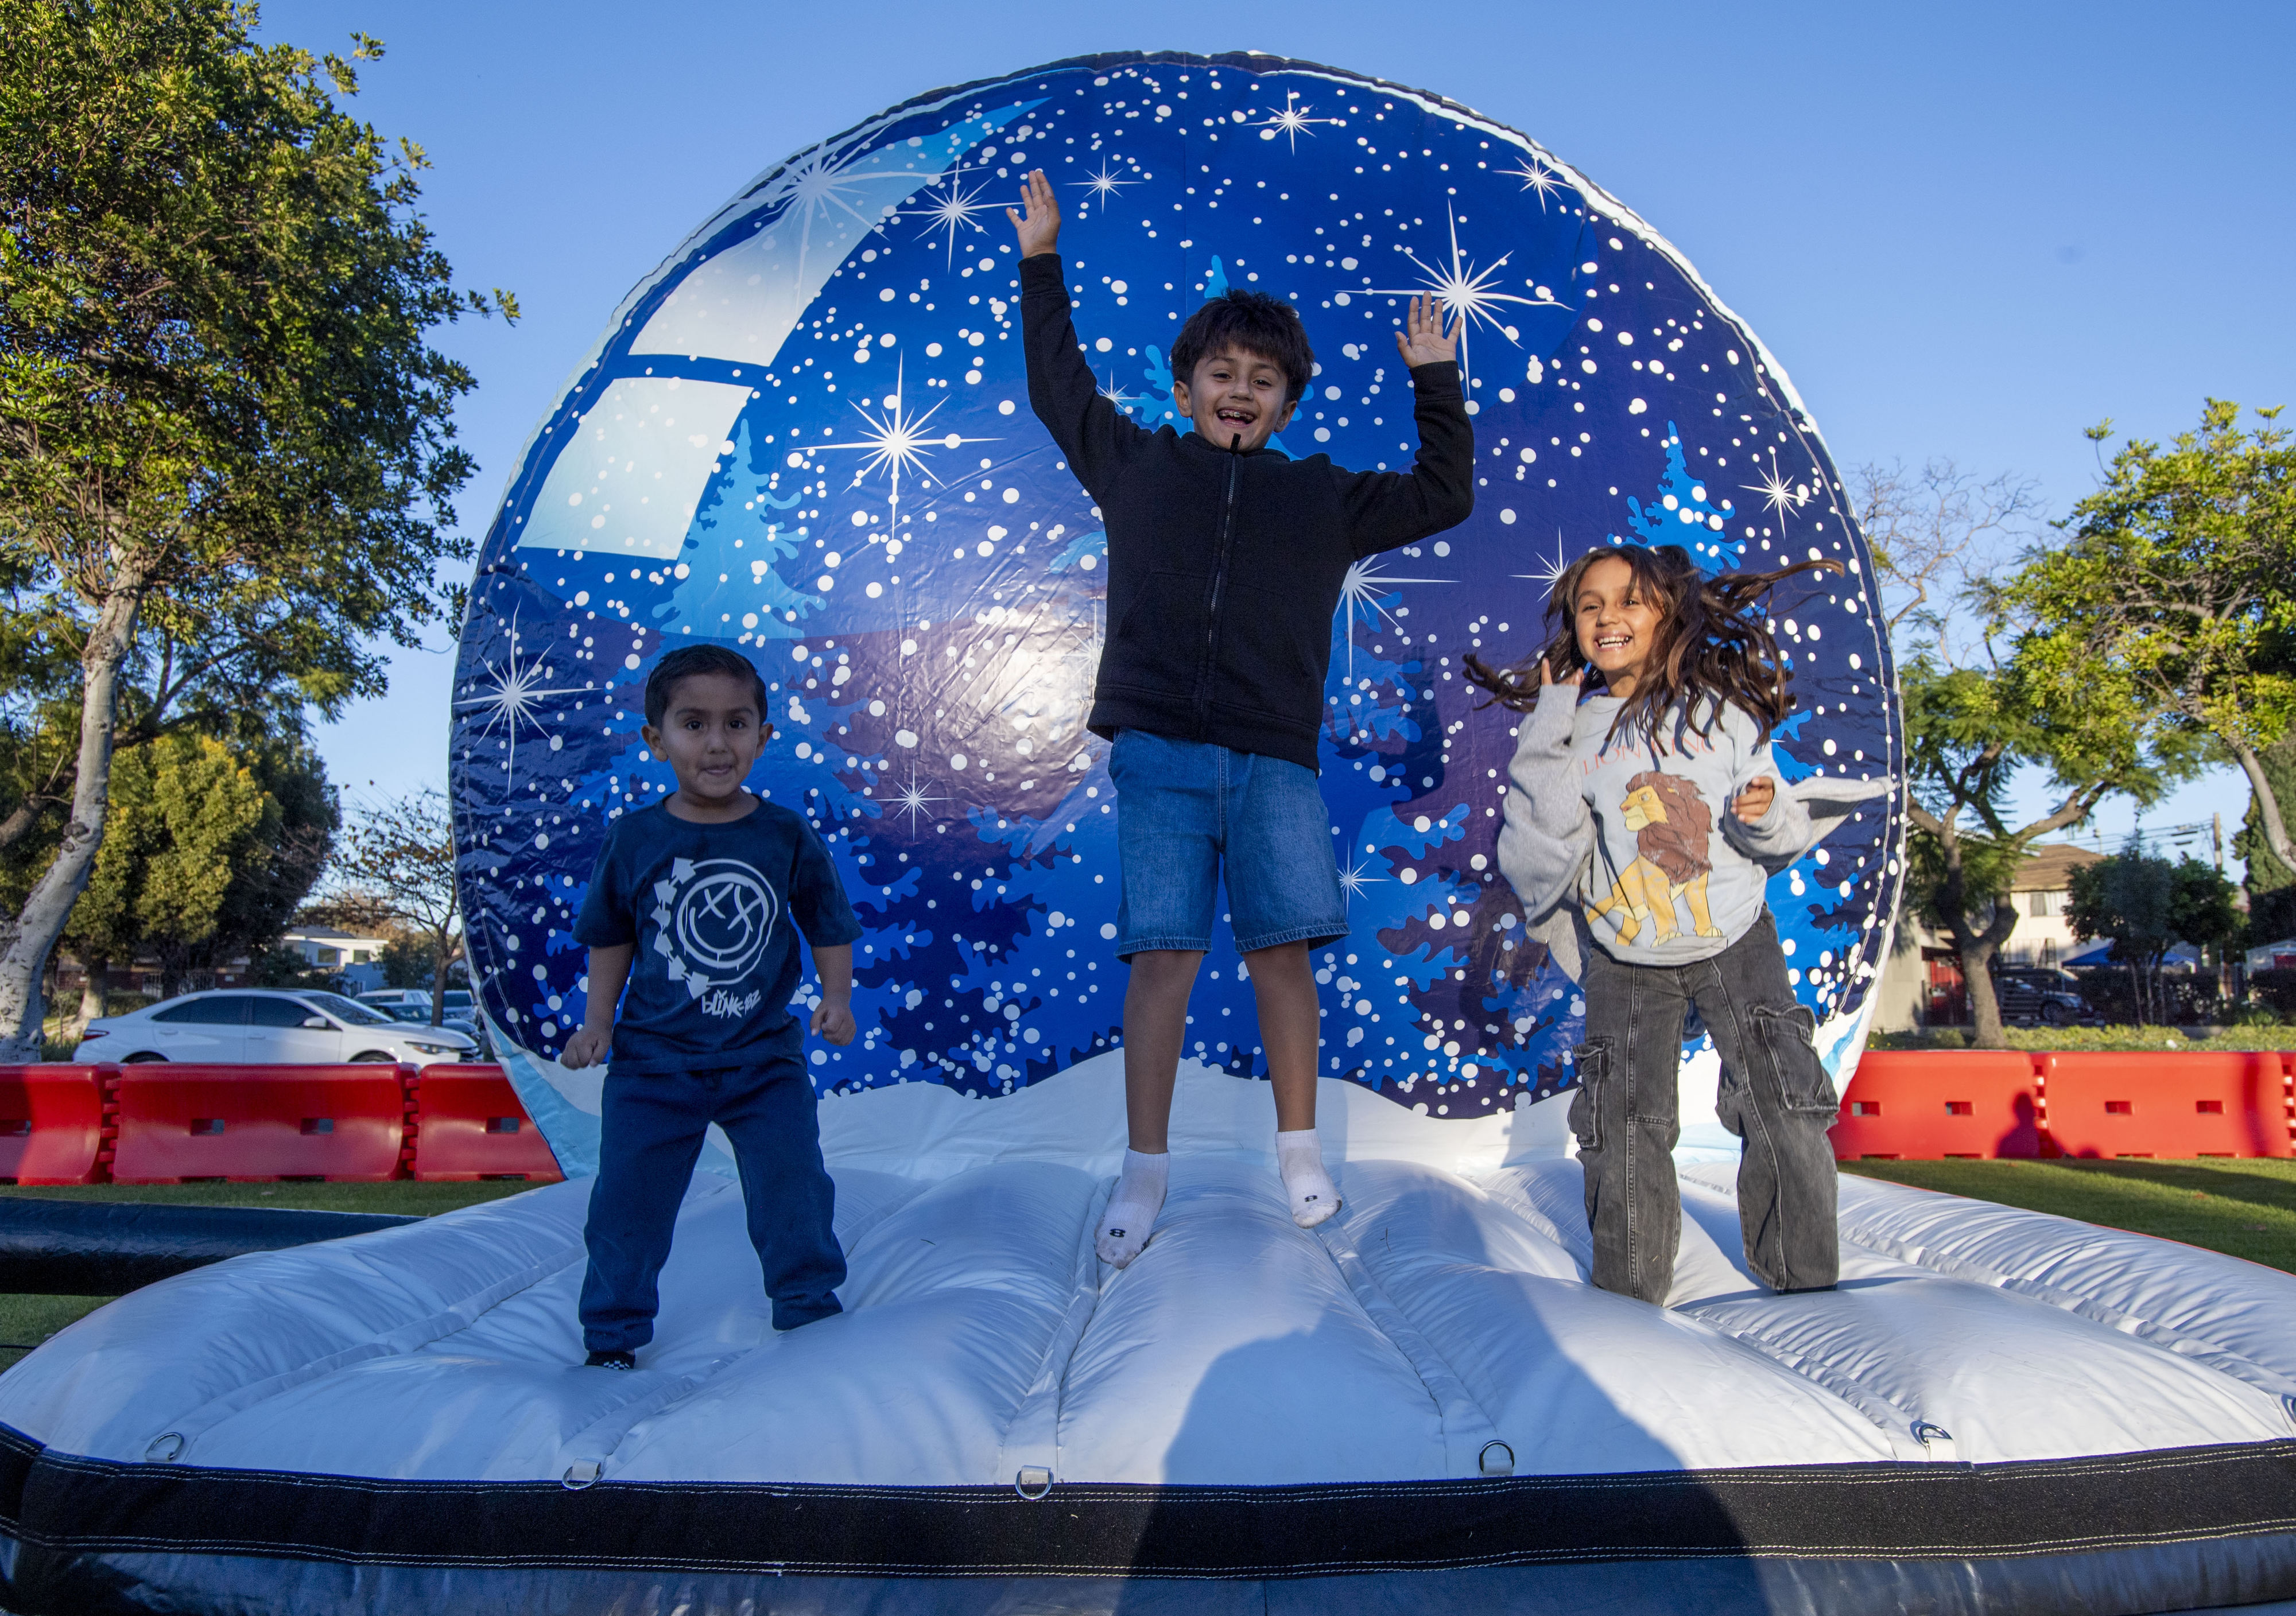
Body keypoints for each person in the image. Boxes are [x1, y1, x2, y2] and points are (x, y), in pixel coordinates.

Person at [1009, 169, 1475, 1267]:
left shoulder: (1320, 496)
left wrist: (1435, 381)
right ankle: (1145, 1168)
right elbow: (1058, 387)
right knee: (1162, 960)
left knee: (1282, 958)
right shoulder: (1135, 465)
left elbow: (1443, 493)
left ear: (1287, 406)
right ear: (1185, 390)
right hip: (1160, 756)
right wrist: (1041, 260)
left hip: (1274, 765)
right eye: (1222, 373)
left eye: (1264, 380)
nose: (1241, 390)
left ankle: (1299, 1153)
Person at [1474, 542, 1849, 1306]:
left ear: (1669, 613)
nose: (1607, 615)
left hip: (1734, 936)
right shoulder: (1576, 729)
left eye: (1629, 600)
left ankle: (1805, 1277)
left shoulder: (1724, 716)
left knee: (1781, 1095)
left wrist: (1765, 813)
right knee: (1622, 1118)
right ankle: (1630, 1290)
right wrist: (1549, 719)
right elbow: (1536, 851)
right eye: (1590, 605)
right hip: (1625, 953)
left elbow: (1778, 832)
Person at [560, 643, 862, 1368]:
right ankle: (612, 1334)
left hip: (763, 1060)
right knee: (627, 1204)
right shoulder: (635, 837)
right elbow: (611, 936)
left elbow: (827, 920)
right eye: (694, 724)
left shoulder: (783, 833)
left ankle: (808, 1306)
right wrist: (597, 1022)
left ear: (763, 735)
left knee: (794, 1185)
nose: (717, 742)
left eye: (737, 723)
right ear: (656, 739)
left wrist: (837, 998)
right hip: (653, 1065)